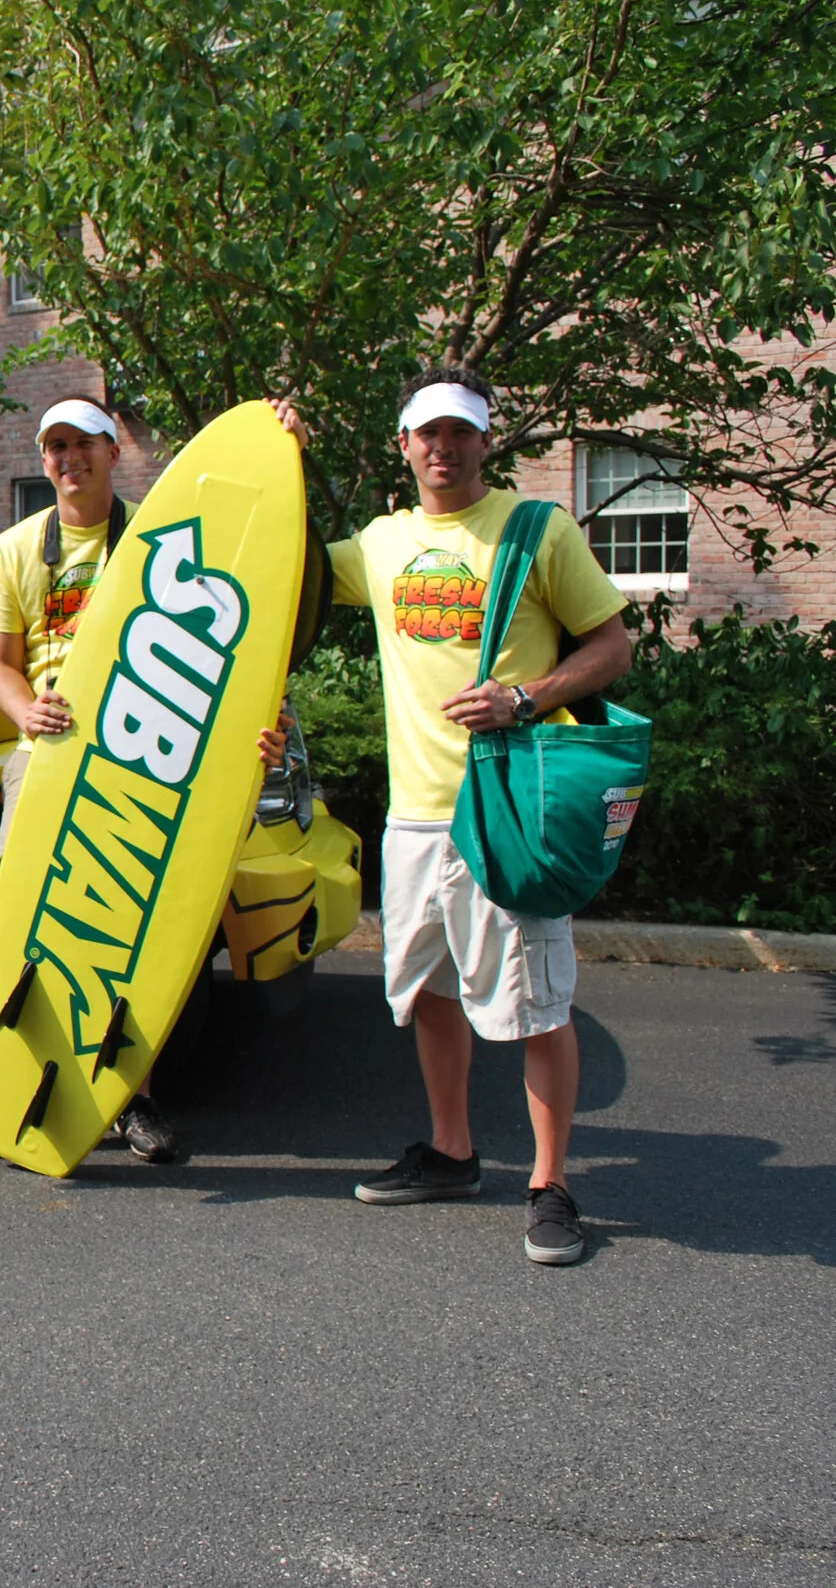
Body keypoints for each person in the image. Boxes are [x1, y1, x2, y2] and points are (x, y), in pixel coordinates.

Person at [317, 372, 631, 1267]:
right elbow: (279, 567)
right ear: (404, 444)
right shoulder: (377, 546)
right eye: (427, 433)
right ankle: (453, 1154)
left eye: (460, 433)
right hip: (415, 817)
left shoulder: (537, 532)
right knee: (431, 995)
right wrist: (278, 449)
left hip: (506, 809)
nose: (442, 448)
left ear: (486, 442)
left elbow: (612, 644)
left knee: (537, 1003)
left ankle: (551, 1185)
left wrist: (528, 695)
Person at [0, 396, 179, 1163]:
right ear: (43, 461)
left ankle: (131, 1102)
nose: (69, 459)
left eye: (84, 444)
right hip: (46, 760)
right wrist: (26, 712)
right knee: (11, 924)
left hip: (138, 760)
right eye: (55, 447)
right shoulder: (13, 548)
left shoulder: (156, 542)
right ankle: (3, 1099)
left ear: (115, 451)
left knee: (128, 932)